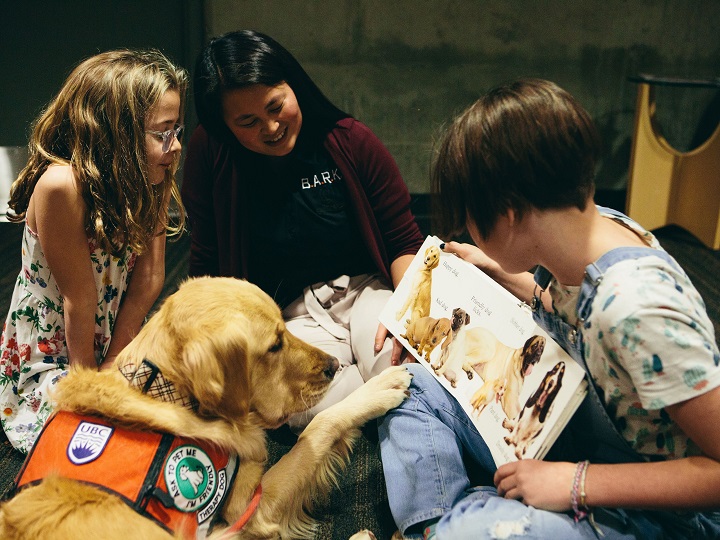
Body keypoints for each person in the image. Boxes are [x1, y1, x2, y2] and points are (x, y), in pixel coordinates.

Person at [378, 79, 720, 539]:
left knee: (477, 530)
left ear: (509, 213)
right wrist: (495, 269)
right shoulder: (593, 231)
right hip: (586, 436)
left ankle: (461, 522)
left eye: (473, 221)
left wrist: (577, 484)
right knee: (407, 385)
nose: (472, 234)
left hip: (663, 512)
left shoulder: (637, 307)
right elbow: (565, 303)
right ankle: (441, 525)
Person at [182, 30, 423, 430]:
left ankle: (385, 401)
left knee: (404, 364)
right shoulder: (210, 155)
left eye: (276, 106)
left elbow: (404, 241)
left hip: (365, 291)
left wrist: (408, 314)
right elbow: (206, 263)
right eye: (248, 121)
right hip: (287, 318)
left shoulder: (350, 140)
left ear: (293, 85)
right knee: (298, 406)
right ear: (224, 127)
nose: (271, 126)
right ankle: (380, 406)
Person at [0, 49, 188, 453]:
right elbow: (78, 299)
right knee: (94, 436)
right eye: (162, 132)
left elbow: (150, 279)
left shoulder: (152, 174)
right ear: (116, 132)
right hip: (58, 349)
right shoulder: (60, 186)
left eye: (178, 130)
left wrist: (117, 360)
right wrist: (94, 390)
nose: (174, 147)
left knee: (188, 402)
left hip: (115, 333)